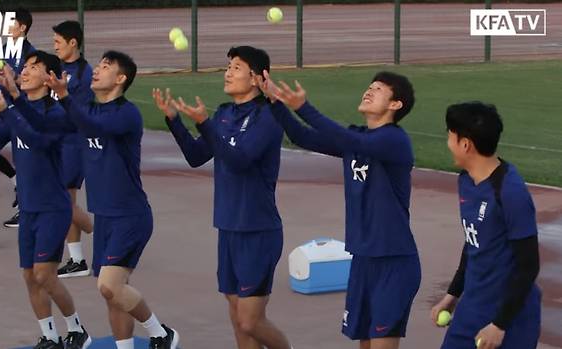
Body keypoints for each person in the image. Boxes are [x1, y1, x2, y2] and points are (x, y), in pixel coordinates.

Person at [261, 70, 419, 349]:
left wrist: (303, 107)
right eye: (369, 86)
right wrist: (275, 102)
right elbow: (303, 137)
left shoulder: (394, 140)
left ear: (396, 105)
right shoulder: (357, 137)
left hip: (393, 262)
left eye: (379, 89)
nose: (368, 91)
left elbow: (355, 143)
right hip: (362, 259)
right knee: (366, 344)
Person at [152, 46, 291, 349]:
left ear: (256, 78)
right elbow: (195, 156)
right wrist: (174, 120)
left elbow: (240, 160)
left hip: (257, 229)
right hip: (228, 226)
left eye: (237, 67)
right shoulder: (225, 113)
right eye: (228, 66)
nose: (228, 72)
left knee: (250, 320)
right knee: (236, 314)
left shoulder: (268, 117)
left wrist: (204, 124)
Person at [47, 50, 179, 349]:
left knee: (109, 285)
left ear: (120, 79)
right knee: (113, 294)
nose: (97, 69)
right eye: (98, 64)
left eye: (106, 66)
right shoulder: (90, 111)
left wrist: (66, 97)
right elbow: (58, 124)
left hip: (130, 215)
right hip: (104, 215)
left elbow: (97, 128)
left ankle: (160, 333)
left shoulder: (127, 113)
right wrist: (15, 100)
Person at [0, 50, 92, 349]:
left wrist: (8, 109)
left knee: (44, 274)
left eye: (33, 67)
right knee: (29, 276)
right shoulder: (16, 107)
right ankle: (49, 336)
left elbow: (38, 138)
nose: (24, 71)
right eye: (24, 66)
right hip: (28, 208)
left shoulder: (56, 114)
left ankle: (77, 329)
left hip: (53, 207)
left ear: (49, 77)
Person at [431, 102, 541, 349]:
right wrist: (452, 295)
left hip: (511, 319)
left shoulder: (510, 192)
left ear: (465, 144)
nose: (448, 142)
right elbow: (474, 241)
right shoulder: (466, 181)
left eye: (450, 135)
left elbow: (528, 265)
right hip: (471, 308)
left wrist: (499, 325)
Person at [52, 20, 94, 278]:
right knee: (64, 201)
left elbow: (76, 113)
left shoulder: (83, 73)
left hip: (73, 142)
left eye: (58, 42)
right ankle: (77, 259)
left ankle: (102, 234)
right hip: (55, 141)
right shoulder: (54, 68)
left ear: (73, 43)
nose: (55, 46)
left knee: (64, 200)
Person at [2, 6, 37, 229]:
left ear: (22, 27)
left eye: (11, 22)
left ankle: (26, 206)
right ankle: (20, 191)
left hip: (20, 113)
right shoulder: (3, 49)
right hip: (3, 111)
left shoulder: (30, 55)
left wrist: (14, 79)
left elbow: (32, 86)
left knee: (25, 161)